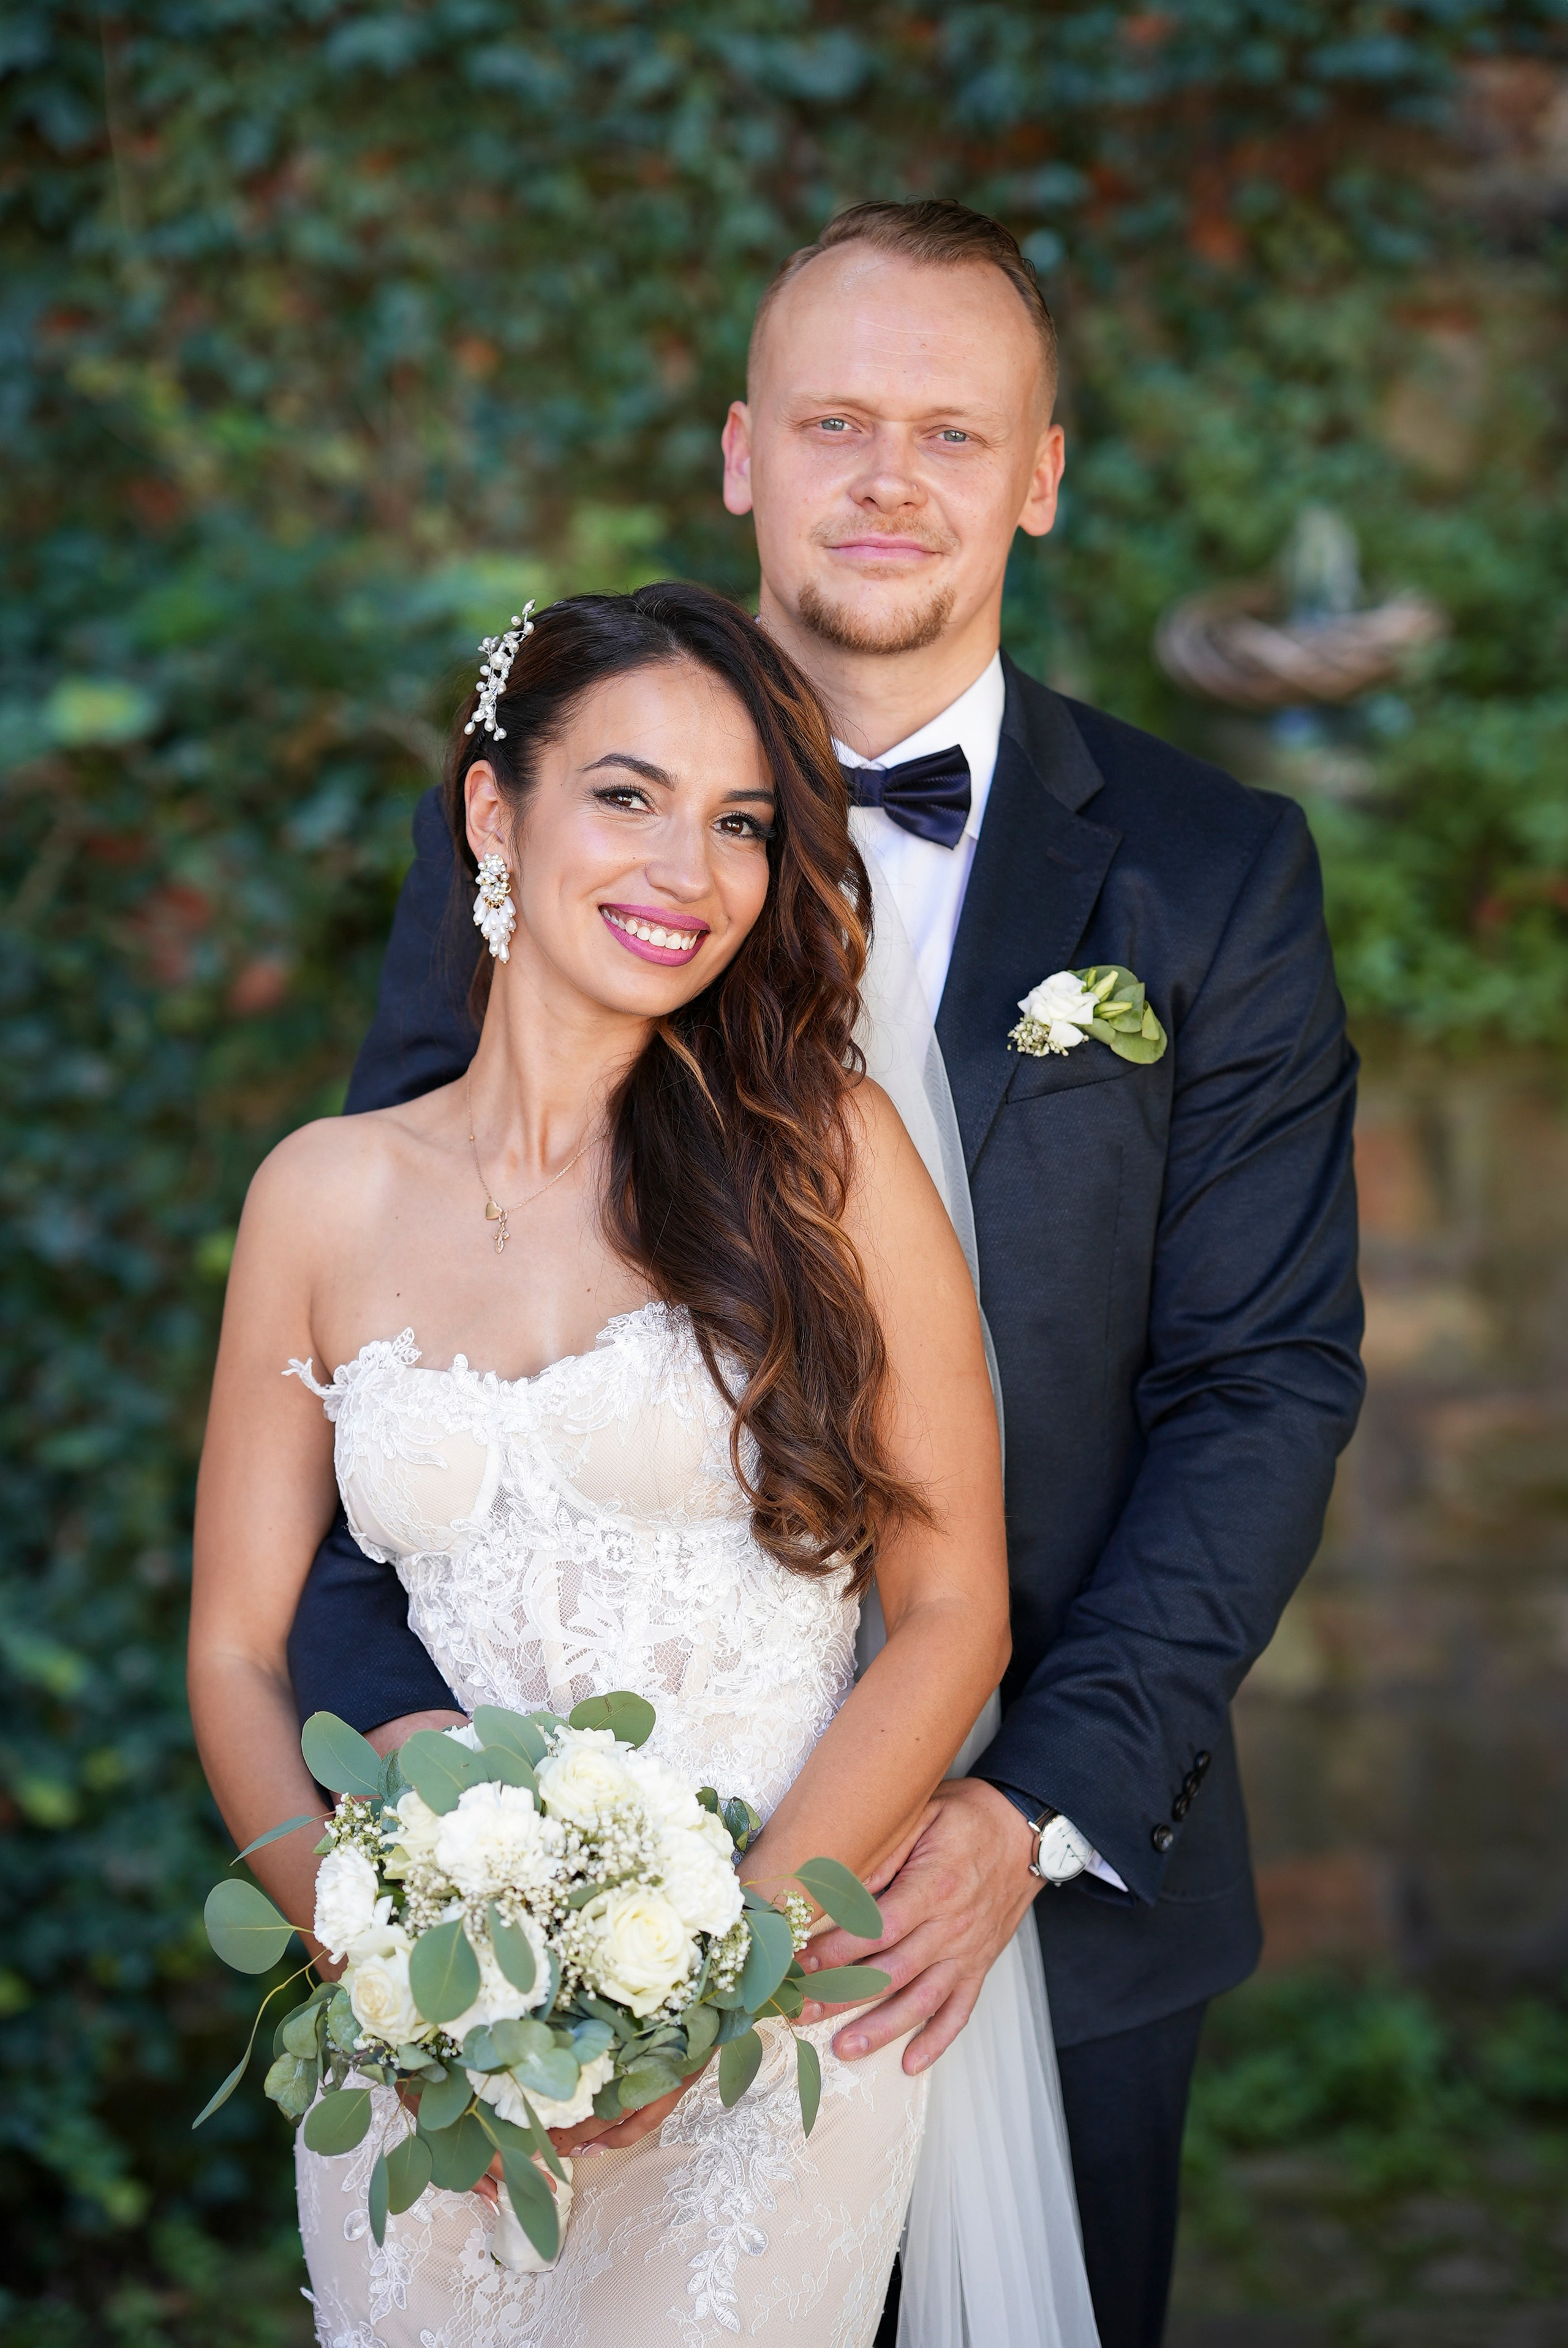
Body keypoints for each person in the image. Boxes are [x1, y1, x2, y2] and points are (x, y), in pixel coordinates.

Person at [288, 200, 1365, 2347]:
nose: (890, 478)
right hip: (563, 1903)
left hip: (1023, 1897)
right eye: (835, 421)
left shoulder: (1210, 873)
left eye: (954, 433)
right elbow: (372, 1332)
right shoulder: (537, 833)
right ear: (738, 454)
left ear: (1040, 478)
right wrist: (420, 1820)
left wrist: (1031, 1804)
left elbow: (1262, 1382)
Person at [188, 584, 1033, 2344]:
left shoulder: (827, 1159)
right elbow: (240, 1651)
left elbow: (955, 1607)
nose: (688, 870)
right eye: (628, 796)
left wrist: (710, 2000)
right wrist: (386, 1976)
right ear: (495, 813)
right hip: (431, 2066)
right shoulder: (319, 1196)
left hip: (767, 2028)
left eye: (741, 823)